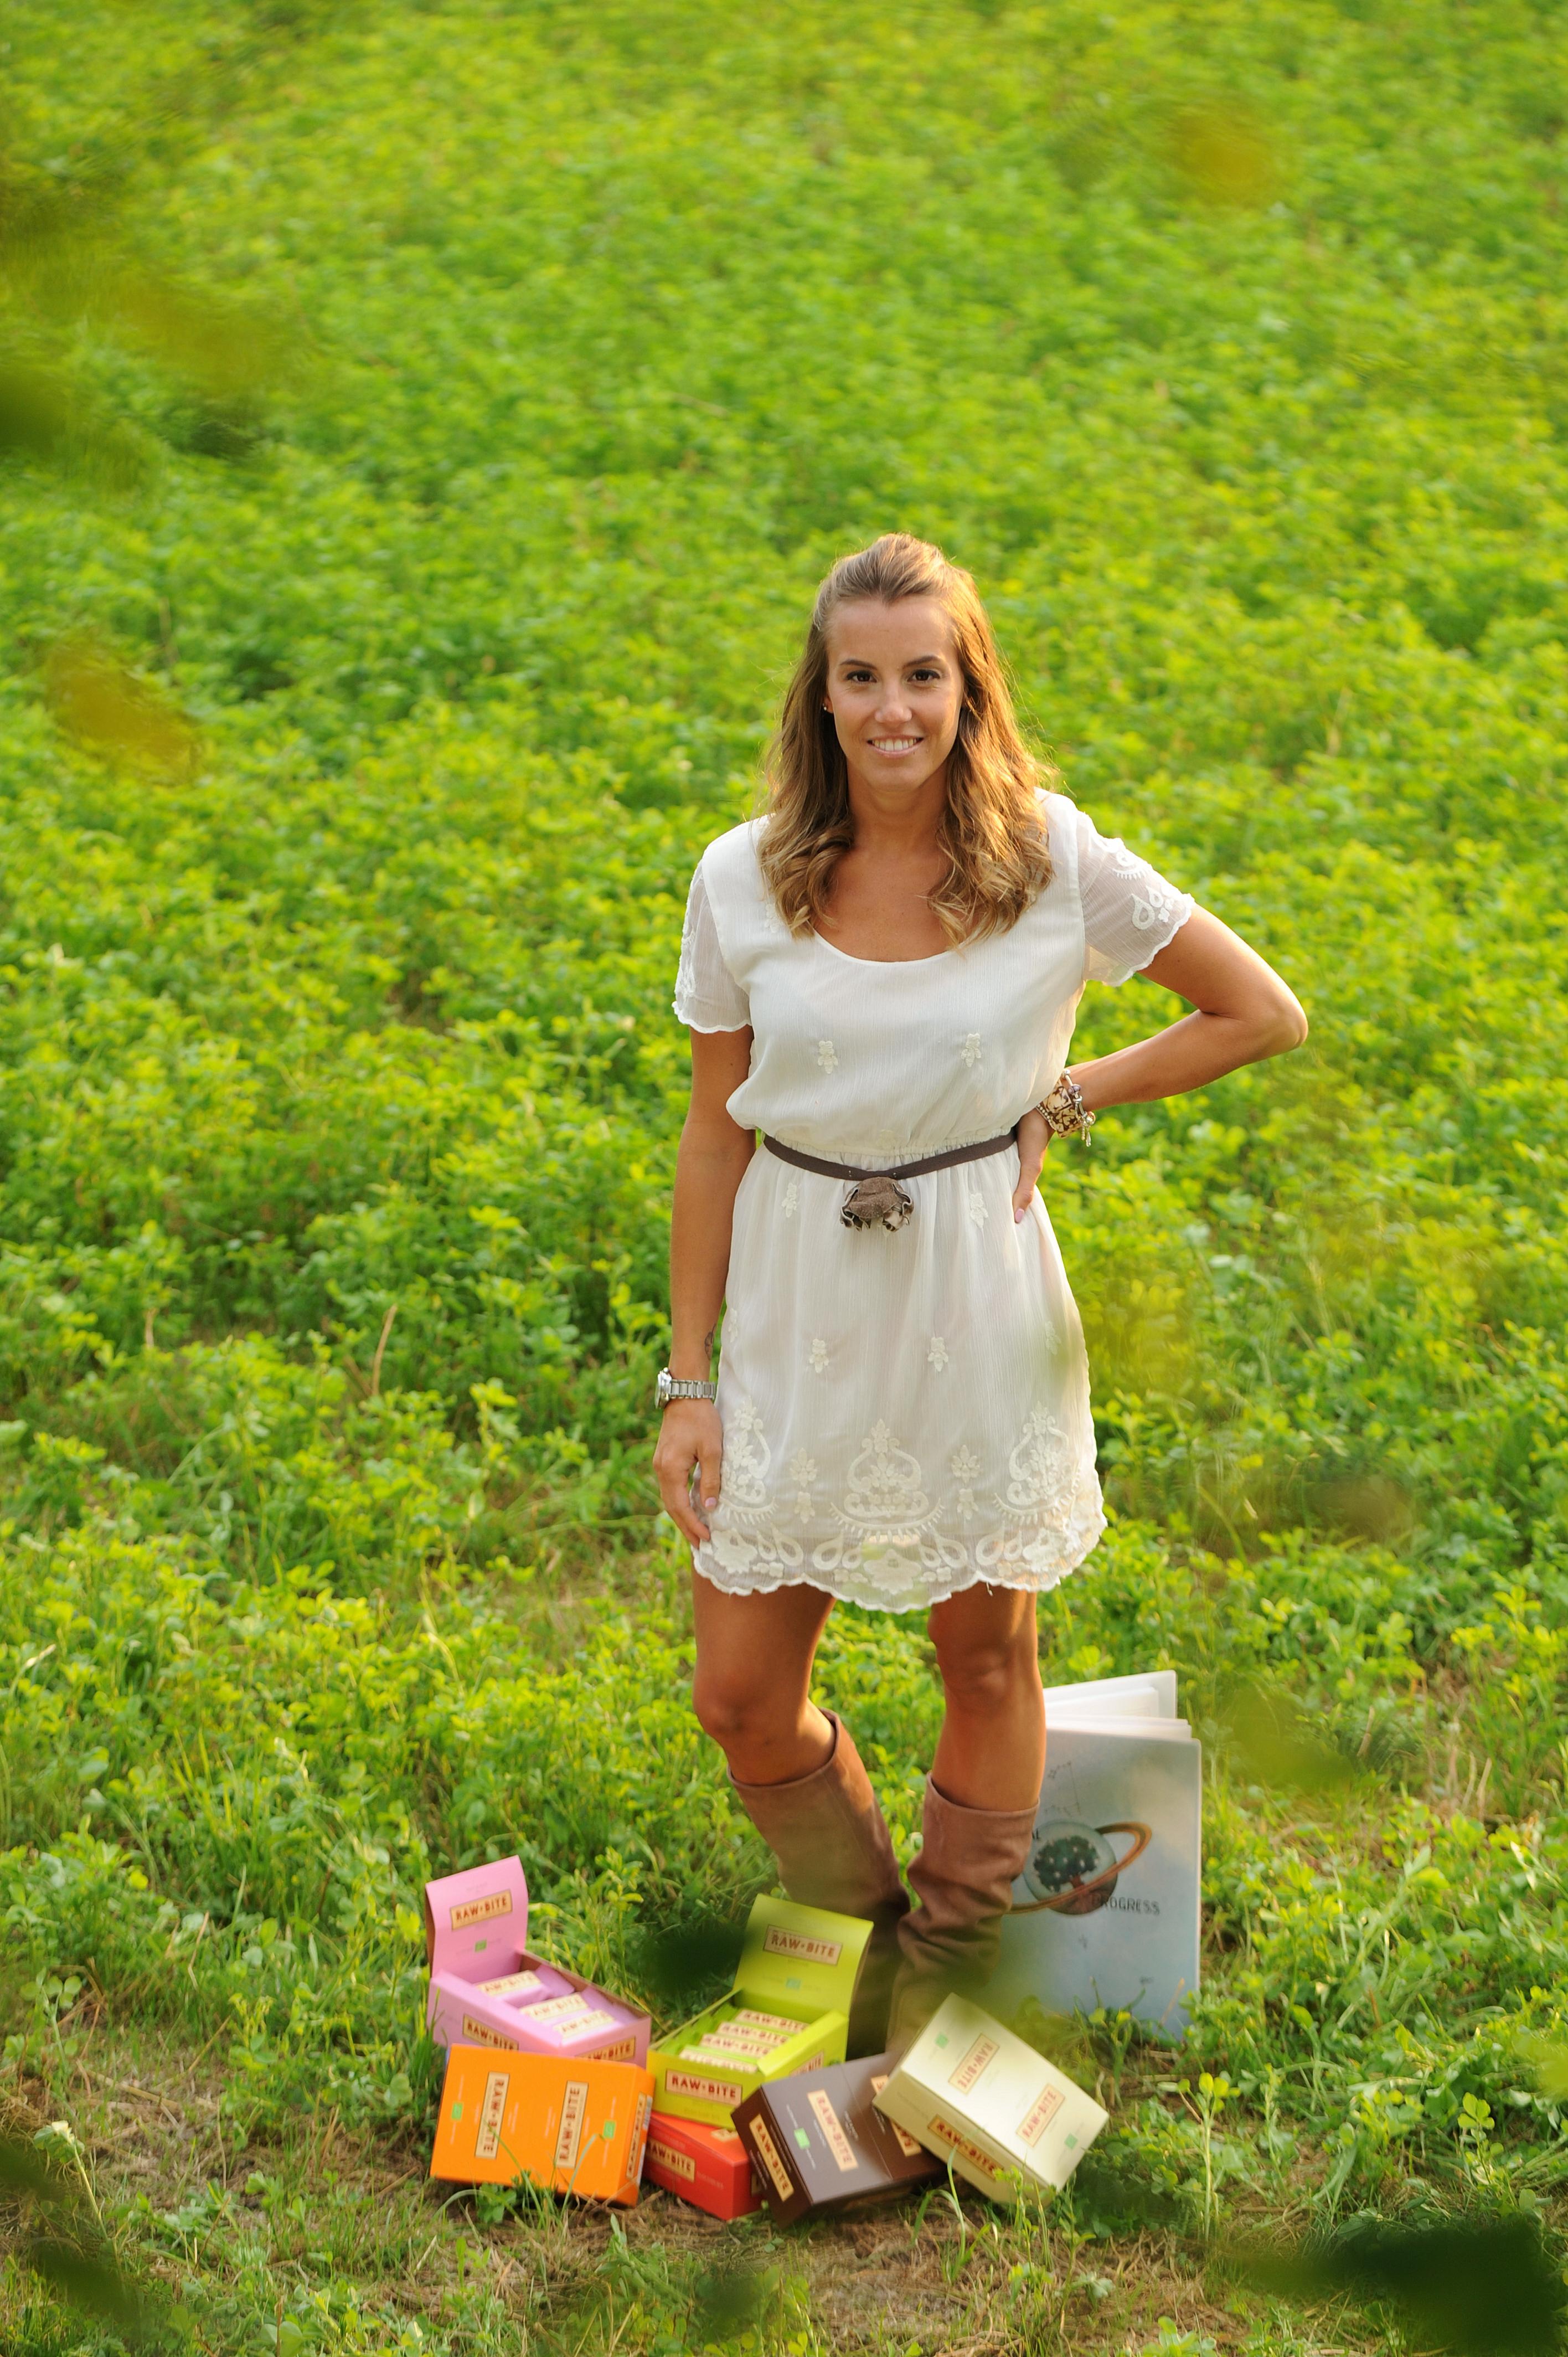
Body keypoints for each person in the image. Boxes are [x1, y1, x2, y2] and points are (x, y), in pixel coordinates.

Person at [653, 533, 1307, 2048]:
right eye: (860, 678)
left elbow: (1257, 1010)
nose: (893, 709)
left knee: (986, 1654)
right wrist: (689, 1377)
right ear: (820, 697)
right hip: (798, 1298)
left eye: (923, 676)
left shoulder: (1051, 859)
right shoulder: (742, 878)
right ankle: (863, 1934)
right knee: (739, 1695)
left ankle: (937, 1987)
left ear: (969, 688)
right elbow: (711, 1132)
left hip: (975, 1292)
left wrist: (1070, 1096)